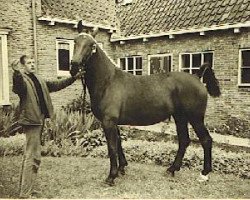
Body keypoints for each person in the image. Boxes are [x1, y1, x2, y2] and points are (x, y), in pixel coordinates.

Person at [11, 55, 80, 198]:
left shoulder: (39, 79)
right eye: (29, 63)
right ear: (23, 66)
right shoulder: (23, 80)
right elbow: (17, 87)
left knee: (34, 156)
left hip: (39, 119)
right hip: (31, 121)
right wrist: (16, 72)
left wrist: (74, 78)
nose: (32, 64)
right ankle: (25, 193)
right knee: (31, 156)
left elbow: (56, 85)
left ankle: (28, 189)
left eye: (33, 62)